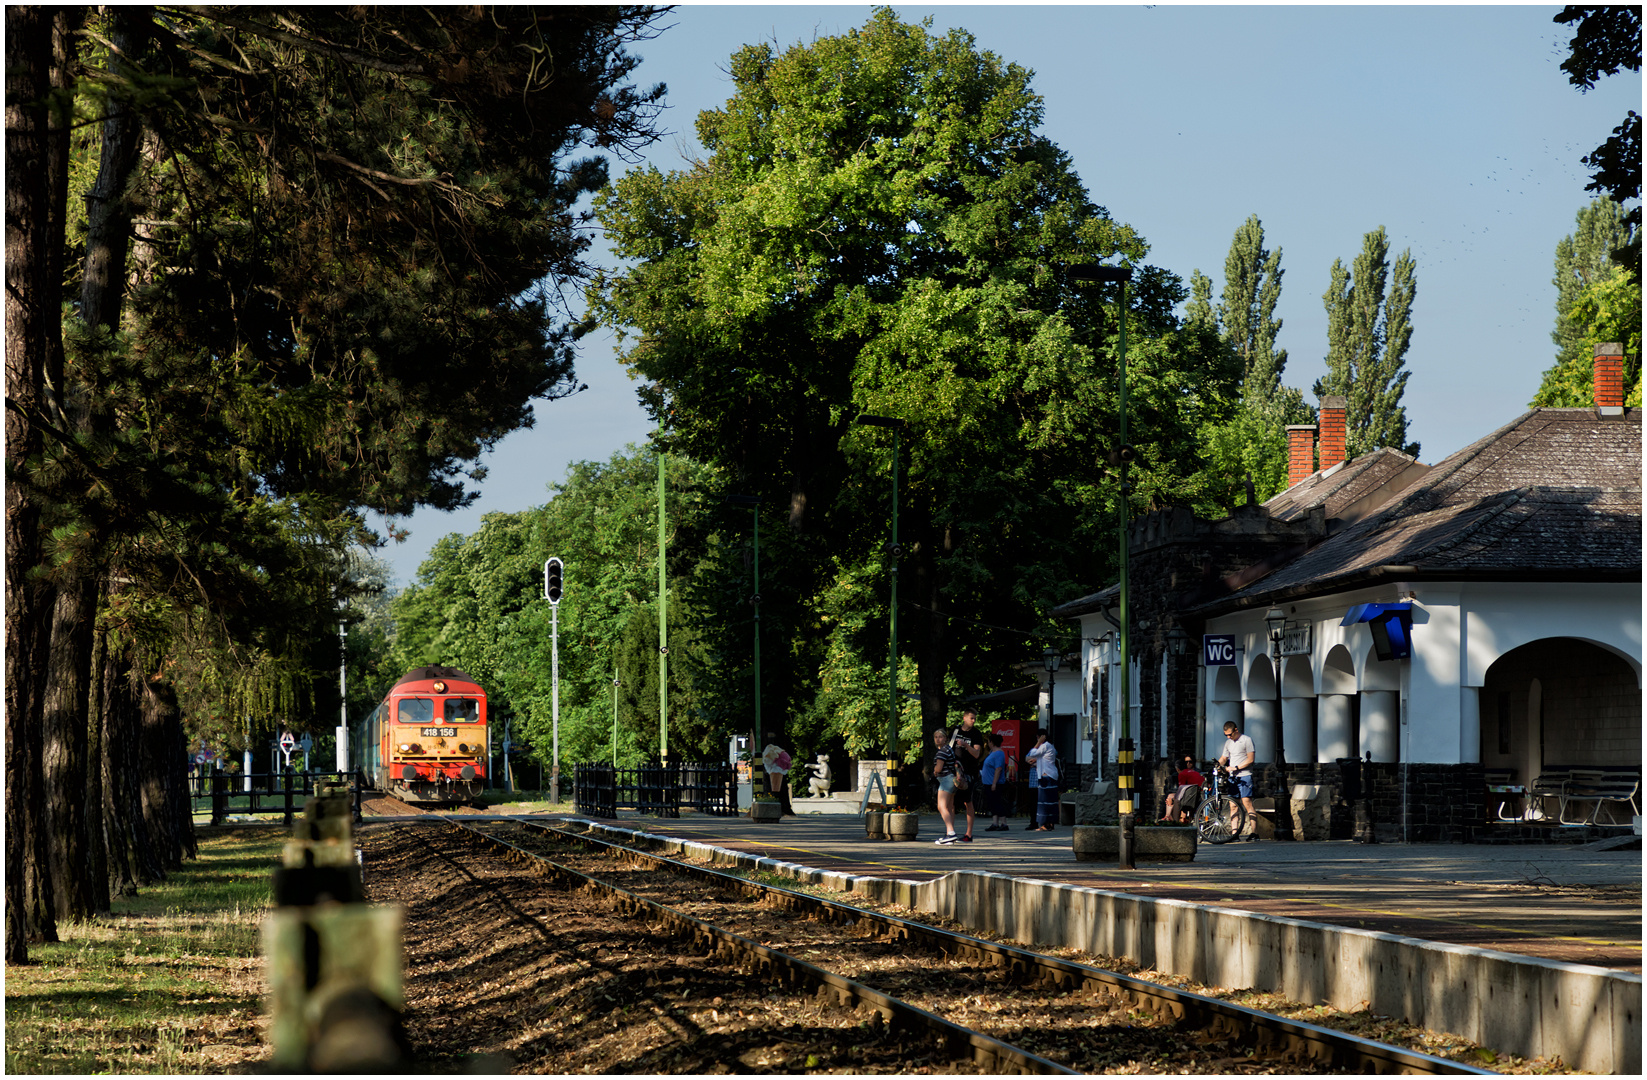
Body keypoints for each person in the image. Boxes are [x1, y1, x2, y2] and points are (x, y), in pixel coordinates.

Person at [1217, 720, 1258, 841]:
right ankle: (1235, 834)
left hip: (1244, 775)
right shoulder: (1228, 743)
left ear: (1236, 730)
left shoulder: (1247, 740)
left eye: (1230, 734)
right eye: (1226, 735)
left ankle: (1254, 833)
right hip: (1232, 777)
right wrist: (1218, 765)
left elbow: (1251, 759)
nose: (1229, 737)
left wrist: (1236, 768)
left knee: (1247, 803)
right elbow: (1224, 758)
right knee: (1233, 805)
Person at [950, 709, 987, 842]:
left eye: (974, 718)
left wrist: (966, 745)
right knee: (951, 801)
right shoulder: (956, 731)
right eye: (971, 718)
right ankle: (950, 832)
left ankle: (969, 834)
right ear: (964, 717)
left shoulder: (976, 733)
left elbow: (977, 754)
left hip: (969, 772)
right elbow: (949, 748)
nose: (973, 721)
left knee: (968, 802)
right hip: (955, 771)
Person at [931, 728, 962, 844]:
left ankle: (951, 833)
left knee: (941, 806)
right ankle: (950, 833)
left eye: (940, 737)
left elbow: (938, 768)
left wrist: (935, 770)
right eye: (936, 737)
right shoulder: (949, 749)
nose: (938, 739)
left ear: (945, 738)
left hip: (945, 780)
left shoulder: (942, 751)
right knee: (949, 807)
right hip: (952, 780)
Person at [1024, 732, 1060, 831]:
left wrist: (1038, 743)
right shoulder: (1049, 746)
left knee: (1045, 801)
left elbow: (1032, 753)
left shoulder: (1045, 746)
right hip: (1048, 775)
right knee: (1048, 801)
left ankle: (1046, 824)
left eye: (1038, 738)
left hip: (1046, 775)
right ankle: (1048, 823)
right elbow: (1030, 758)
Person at [1162, 755, 1204, 823]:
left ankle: (1172, 820)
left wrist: (1172, 800)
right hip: (1198, 796)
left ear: (1178, 769)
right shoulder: (1195, 773)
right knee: (1172, 796)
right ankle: (1171, 817)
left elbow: (1180, 791)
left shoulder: (1182, 774)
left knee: (1173, 799)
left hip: (1191, 798)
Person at [980, 732, 1009, 830]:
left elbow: (998, 768)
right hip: (988, 782)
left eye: (988, 741)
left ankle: (1004, 823)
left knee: (997, 802)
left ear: (991, 742)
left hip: (995, 783)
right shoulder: (992, 753)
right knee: (992, 803)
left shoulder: (998, 753)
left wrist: (994, 783)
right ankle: (995, 823)